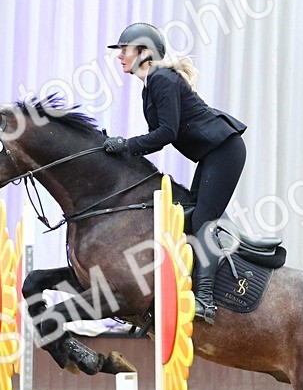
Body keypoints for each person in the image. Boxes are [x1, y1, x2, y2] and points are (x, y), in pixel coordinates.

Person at [103, 22, 247, 325]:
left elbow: (165, 133)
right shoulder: (149, 86)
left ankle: (205, 301)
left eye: (124, 50)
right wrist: (124, 148)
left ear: (144, 52)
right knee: (195, 215)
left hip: (225, 151)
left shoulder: (162, 80)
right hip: (213, 154)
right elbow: (159, 134)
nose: (119, 56)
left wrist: (125, 146)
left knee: (202, 221)